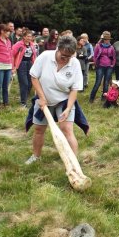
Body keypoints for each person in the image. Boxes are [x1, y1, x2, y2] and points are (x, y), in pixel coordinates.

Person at [24, 35, 85, 164]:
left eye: (69, 56)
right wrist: (41, 98)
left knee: (67, 130)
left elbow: (75, 89)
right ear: (58, 48)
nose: (66, 59)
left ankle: (74, 163)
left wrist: (68, 109)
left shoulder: (74, 64)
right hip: (44, 100)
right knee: (39, 129)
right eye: (63, 56)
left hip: (64, 101)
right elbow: (34, 77)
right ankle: (35, 156)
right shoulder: (45, 56)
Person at [12, 29, 37, 108]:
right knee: (24, 84)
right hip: (21, 64)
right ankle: (23, 102)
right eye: (28, 36)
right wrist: (13, 66)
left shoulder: (32, 45)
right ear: (24, 37)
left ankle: (25, 98)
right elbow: (12, 54)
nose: (29, 38)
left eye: (31, 36)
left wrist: (35, 65)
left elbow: (34, 56)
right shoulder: (19, 44)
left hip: (30, 64)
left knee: (30, 84)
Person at [89, 31, 116, 103]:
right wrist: (96, 63)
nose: (107, 41)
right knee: (98, 82)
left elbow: (114, 57)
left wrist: (112, 65)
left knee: (106, 83)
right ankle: (91, 98)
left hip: (109, 67)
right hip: (100, 66)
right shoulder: (98, 46)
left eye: (109, 39)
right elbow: (94, 56)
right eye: (106, 39)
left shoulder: (111, 47)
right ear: (103, 39)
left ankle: (104, 98)